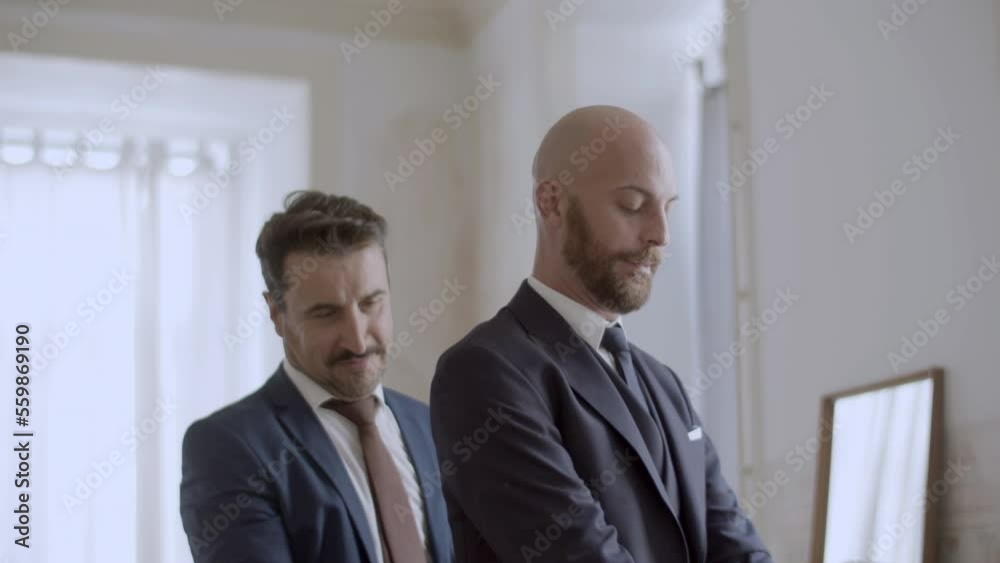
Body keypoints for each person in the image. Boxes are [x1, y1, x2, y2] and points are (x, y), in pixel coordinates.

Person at [430, 106, 772, 563]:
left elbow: (735, 546)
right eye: (632, 205)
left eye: (667, 209)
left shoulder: (663, 383)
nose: (660, 234)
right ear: (551, 202)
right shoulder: (484, 371)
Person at [180, 190, 453, 563]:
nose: (358, 340)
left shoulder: (429, 425)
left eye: (371, 304)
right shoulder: (229, 448)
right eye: (327, 314)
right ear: (276, 313)